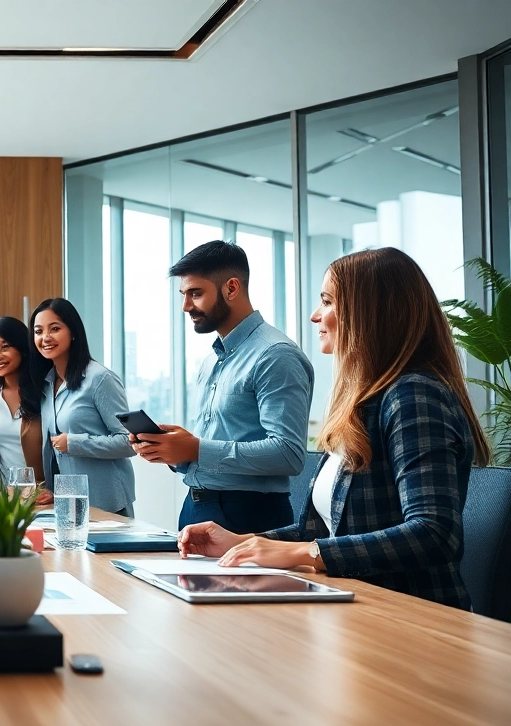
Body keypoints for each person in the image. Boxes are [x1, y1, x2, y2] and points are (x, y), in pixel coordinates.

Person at [178, 248, 489, 609]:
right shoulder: (363, 404)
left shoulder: (414, 395)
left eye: (327, 301)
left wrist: (302, 553)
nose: (315, 315)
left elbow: (433, 533)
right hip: (354, 604)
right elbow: (321, 531)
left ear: (369, 313)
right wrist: (241, 542)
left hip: (406, 612)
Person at [134, 240, 313, 534]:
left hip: (250, 515)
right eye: (183, 295)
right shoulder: (211, 362)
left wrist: (196, 448)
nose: (185, 306)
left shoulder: (276, 355)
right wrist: (175, 451)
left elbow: (288, 454)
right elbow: (211, 446)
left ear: (231, 288)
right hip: (195, 506)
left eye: (195, 293)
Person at [31, 298, 136, 515]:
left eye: (55, 329)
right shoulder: (47, 383)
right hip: (66, 504)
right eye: (39, 331)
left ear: (73, 332)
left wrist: (74, 442)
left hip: (106, 504)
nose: (45, 337)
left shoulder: (99, 379)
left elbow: (129, 441)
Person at [0, 316, 51, 504]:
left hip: (42, 500)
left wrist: (53, 490)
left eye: (5, 347)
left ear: (22, 348)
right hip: (4, 501)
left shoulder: (45, 390)